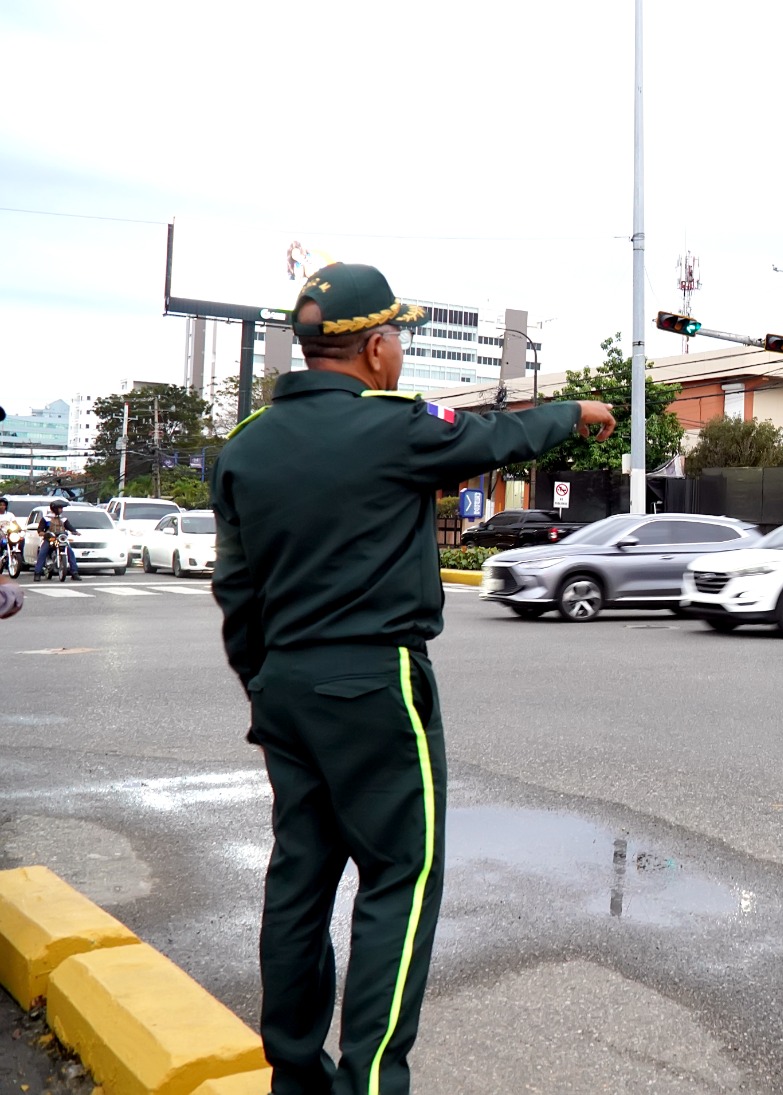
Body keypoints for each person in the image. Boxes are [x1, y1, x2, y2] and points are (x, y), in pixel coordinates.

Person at [210, 262, 615, 1095]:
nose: (400, 354)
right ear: (376, 347)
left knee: (300, 875)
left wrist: (266, 683)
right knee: (401, 875)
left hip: (284, 684)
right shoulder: (391, 426)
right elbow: (493, 438)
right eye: (398, 339)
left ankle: (295, 1073)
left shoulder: (244, 447)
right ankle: (370, 1082)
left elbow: (236, 591)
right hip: (375, 679)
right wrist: (574, 410)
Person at [34, 499, 81, 581]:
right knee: (42, 552)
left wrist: (75, 532)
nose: (61, 510)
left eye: (62, 508)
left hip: (61, 539)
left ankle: (74, 573)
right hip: (50, 539)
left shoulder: (64, 519)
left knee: (70, 552)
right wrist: (44, 534)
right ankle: (37, 573)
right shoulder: (46, 518)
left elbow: (70, 527)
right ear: (54, 509)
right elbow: (40, 531)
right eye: (60, 508)